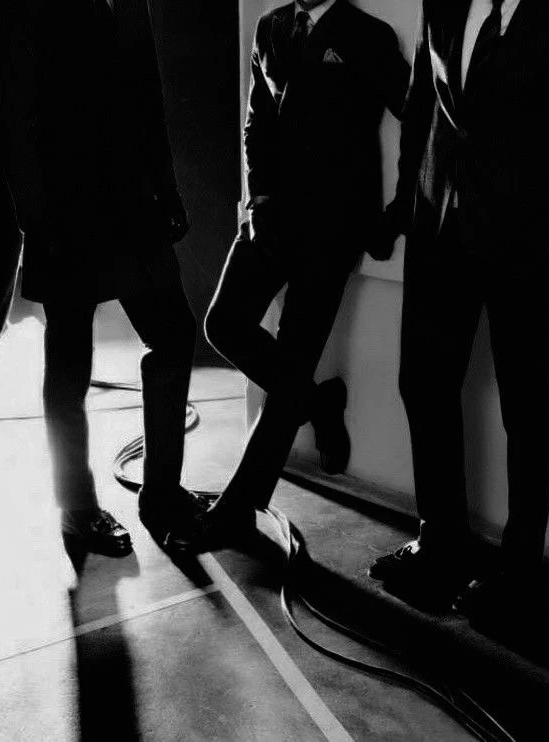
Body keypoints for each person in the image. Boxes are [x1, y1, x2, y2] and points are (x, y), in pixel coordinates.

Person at [369, 0, 549, 618]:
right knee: (423, 383)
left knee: (524, 404)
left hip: (525, 244)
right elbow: (422, 110)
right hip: (437, 233)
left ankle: (519, 569)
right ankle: (440, 542)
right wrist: (409, 208)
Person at [168, 0, 410, 551]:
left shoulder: (368, 35)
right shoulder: (270, 26)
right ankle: (317, 402)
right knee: (222, 325)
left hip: (335, 229)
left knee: (292, 362)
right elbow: (257, 121)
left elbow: (421, 116)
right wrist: (258, 200)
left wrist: (397, 212)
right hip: (271, 220)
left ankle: (237, 511)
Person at [0, 0, 201, 557]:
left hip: (136, 212)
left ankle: (161, 494)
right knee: (70, 366)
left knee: (175, 335)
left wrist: (168, 190)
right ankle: (77, 508)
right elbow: (14, 121)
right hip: (67, 218)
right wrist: (38, 223)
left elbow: (149, 100)